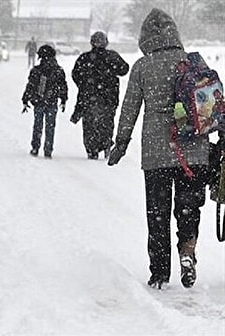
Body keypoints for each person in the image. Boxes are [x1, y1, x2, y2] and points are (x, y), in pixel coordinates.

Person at [107, 8, 210, 290]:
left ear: (145, 37)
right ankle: (187, 251)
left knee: (158, 213)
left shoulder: (143, 66)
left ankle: (159, 273)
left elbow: (129, 109)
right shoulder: (191, 62)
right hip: (194, 150)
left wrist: (120, 144)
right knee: (188, 209)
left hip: (156, 154)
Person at [71, 31, 129, 160]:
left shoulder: (84, 58)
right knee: (107, 123)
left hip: (89, 98)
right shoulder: (112, 56)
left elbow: (75, 74)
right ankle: (106, 144)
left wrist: (84, 85)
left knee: (90, 124)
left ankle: (92, 149)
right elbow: (124, 69)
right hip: (109, 98)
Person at [21, 45, 68, 158]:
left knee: (38, 125)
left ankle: (35, 147)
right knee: (50, 126)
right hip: (52, 101)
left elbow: (30, 86)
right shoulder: (58, 70)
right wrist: (63, 98)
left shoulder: (37, 70)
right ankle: (48, 149)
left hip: (39, 101)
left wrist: (26, 99)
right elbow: (63, 86)